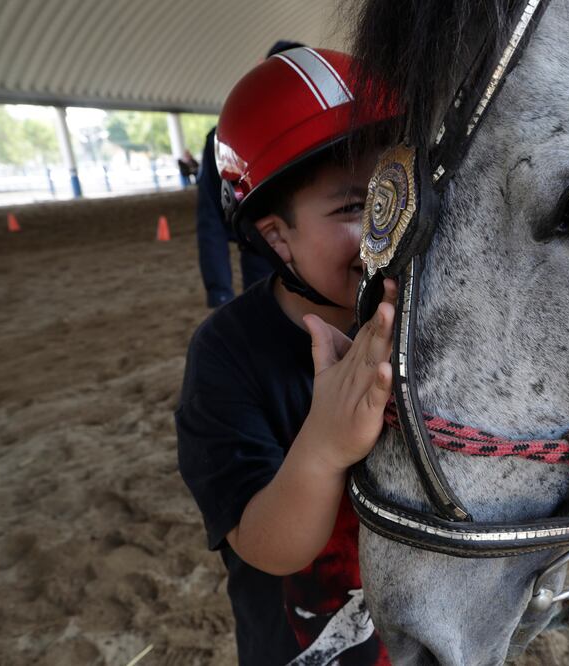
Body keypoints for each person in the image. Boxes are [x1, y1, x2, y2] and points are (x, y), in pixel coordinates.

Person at [175, 45, 396, 665]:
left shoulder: (434, 321)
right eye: (357, 207)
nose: (390, 227)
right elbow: (270, 547)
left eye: (398, 192)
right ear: (277, 237)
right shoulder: (227, 356)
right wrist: (324, 447)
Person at [194, 41, 299, 308]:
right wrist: (220, 292)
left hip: (305, 258)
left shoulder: (335, 129)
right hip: (263, 261)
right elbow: (211, 219)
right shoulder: (222, 142)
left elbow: (210, 220)